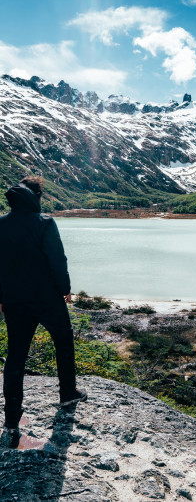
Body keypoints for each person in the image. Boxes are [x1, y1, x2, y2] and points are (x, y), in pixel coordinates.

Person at [0, 176, 86, 432]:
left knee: (16, 355)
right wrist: (66, 291)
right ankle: (68, 393)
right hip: (47, 298)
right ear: (36, 197)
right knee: (63, 340)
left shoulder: (1, 225)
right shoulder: (45, 223)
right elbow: (58, 260)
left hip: (15, 300)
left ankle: (12, 416)